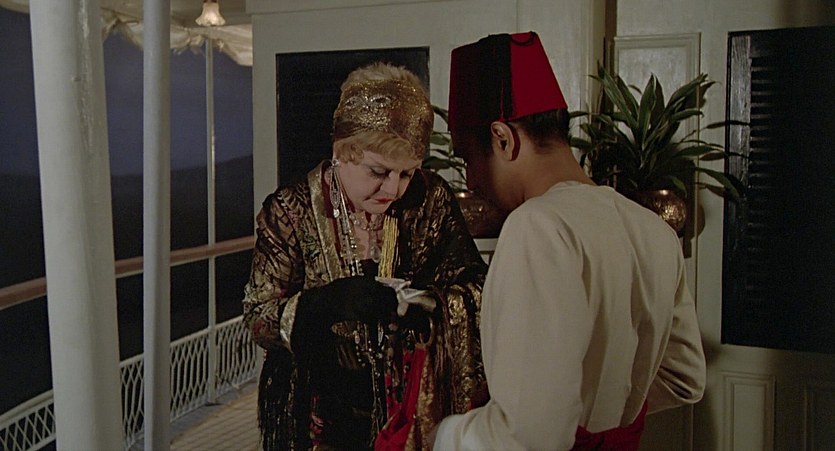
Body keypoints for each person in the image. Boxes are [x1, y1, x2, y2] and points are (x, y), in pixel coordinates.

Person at [432, 32, 707, 450]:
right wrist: (599, 412)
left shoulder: (537, 226)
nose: (470, 180)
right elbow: (684, 379)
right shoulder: (653, 230)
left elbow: (526, 436)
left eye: (467, 157)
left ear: (503, 139)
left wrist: (444, 434)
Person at [243, 62, 488, 450]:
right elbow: (258, 317)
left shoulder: (431, 198)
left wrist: (431, 304)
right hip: (320, 412)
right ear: (342, 151)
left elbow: (476, 286)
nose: (393, 189)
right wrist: (322, 305)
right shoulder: (290, 211)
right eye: (378, 171)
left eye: (406, 173)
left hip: (412, 411)